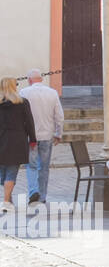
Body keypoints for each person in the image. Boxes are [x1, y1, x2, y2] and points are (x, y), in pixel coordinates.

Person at [20, 69, 63, 205]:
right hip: (47, 135)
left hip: (30, 136)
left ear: (29, 80)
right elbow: (59, 116)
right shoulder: (52, 93)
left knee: (31, 165)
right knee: (44, 167)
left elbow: (20, 117)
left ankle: (33, 191)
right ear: (42, 79)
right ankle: (42, 196)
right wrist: (58, 133)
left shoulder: (24, 93)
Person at [0, 78, 37, 214]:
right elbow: (29, 122)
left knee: (3, 173)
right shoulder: (22, 102)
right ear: (13, 87)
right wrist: (33, 139)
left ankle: (7, 200)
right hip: (17, 140)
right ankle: (6, 201)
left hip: (2, 140)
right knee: (11, 172)